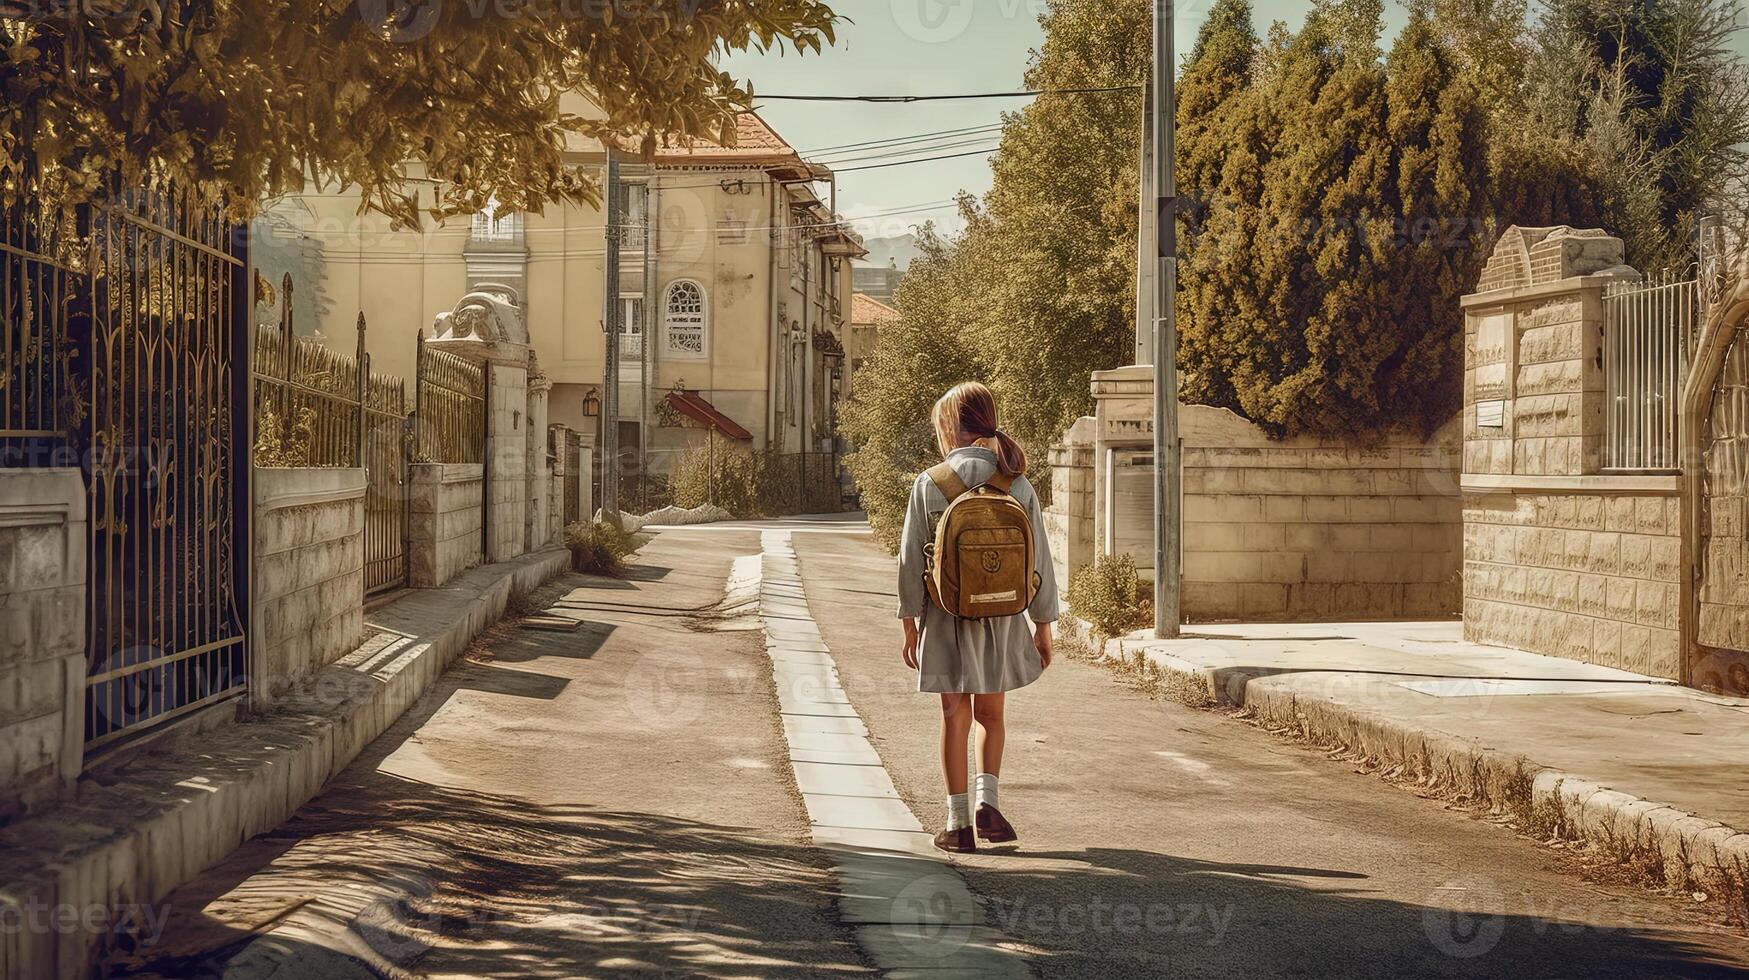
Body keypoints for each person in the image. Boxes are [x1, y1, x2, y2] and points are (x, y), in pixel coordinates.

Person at [898, 381, 1058, 853]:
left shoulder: (931, 483)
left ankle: (957, 824)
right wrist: (1043, 626)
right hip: (1004, 617)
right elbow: (1040, 563)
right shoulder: (1017, 483)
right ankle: (989, 805)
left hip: (947, 619)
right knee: (991, 714)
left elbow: (911, 562)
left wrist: (910, 623)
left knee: (954, 716)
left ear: (950, 428)